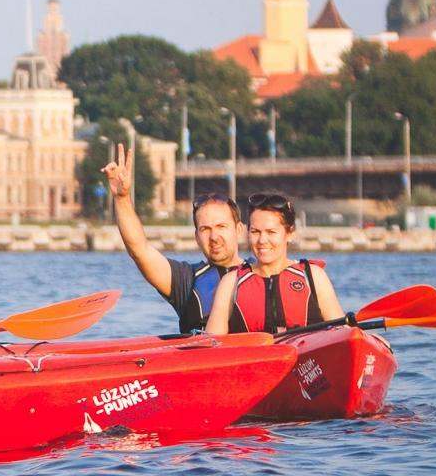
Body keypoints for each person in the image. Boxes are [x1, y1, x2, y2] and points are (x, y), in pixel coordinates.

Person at [101, 143, 249, 331]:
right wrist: (122, 199)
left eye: (221, 226)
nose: (214, 236)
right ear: (196, 237)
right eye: (205, 229)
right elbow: (140, 251)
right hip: (202, 357)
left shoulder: (258, 273)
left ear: (238, 230)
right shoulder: (184, 280)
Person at [208, 192, 344, 334]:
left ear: (290, 233)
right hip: (254, 355)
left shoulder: (314, 276)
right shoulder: (230, 283)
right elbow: (212, 342)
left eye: (271, 232)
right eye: (255, 232)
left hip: (308, 355)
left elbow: (343, 333)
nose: (262, 240)